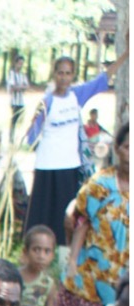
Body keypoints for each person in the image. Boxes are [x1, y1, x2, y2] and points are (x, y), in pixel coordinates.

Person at [26, 49, 129, 244]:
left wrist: (126, 53)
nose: (63, 78)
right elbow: (31, 136)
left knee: (66, 213)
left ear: (72, 75)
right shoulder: (46, 102)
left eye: (67, 73)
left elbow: (104, 78)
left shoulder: (77, 96)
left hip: (69, 164)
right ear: (54, 74)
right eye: (60, 73)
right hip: (47, 164)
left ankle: (64, 250)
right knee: (43, 212)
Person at [48, 123, 129, 306]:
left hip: (125, 281)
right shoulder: (99, 184)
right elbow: (81, 222)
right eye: (127, 147)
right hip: (93, 275)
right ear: (117, 148)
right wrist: (72, 261)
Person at [15, 224, 58, 306]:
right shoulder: (14, 277)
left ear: (53, 255)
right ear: (26, 251)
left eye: (47, 251)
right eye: (36, 250)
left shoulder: (48, 284)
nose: (41, 256)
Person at [7, 53, 30, 131]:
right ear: (15, 63)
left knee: (21, 120)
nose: (21, 65)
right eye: (19, 63)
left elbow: (26, 86)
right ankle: (11, 137)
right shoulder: (11, 74)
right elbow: (12, 87)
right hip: (14, 101)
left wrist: (19, 87)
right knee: (14, 120)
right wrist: (20, 87)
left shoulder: (22, 75)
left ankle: (17, 135)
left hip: (21, 101)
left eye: (22, 64)